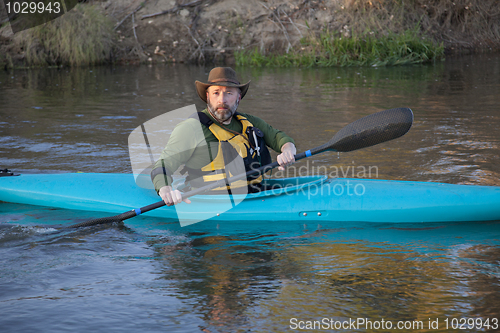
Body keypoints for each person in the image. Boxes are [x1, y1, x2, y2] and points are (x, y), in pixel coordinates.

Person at [151, 67, 296, 206]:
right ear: (207, 96)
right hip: (210, 200)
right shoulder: (191, 128)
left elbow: (279, 138)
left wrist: (288, 151)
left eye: (229, 93)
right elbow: (163, 165)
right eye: (216, 93)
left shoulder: (249, 122)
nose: (222, 100)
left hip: (255, 194)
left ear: (238, 97)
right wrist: (165, 189)